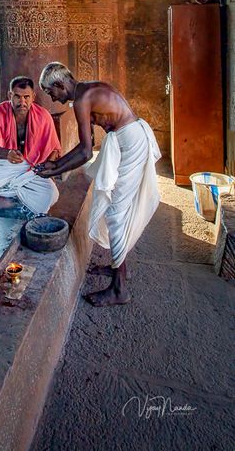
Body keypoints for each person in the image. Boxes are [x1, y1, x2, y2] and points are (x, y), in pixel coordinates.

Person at [35, 62, 161, 307]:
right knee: (115, 208)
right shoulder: (85, 94)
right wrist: (55, 165)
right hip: (128, 138)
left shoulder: (83, 99)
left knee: (116, 213)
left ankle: (119, 288)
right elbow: (88, 144)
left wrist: (55, 170)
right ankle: (118, 267)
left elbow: (84, 153)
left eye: (51, 92)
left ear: (60, 85)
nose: (52, 98)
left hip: (131, 143)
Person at [0, 76, 61, 216]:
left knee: (52, 195)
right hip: (4, 164)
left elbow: (54, 149)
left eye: (27, 97)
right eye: (17, 97)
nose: (22, 102)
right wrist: (6, 153)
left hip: (32, 167)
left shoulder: (43, 116)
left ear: (33, 97)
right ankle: (10, 202)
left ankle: (5, 195)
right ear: (10, 95)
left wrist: (48, 170)